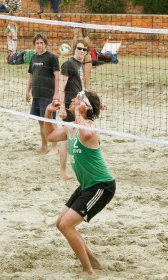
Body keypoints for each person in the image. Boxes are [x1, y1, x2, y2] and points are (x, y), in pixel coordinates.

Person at [43, 91, 115, 278]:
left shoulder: (88, 126)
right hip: (86, 186)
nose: (72, 100)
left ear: (84, 105)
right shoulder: (71, 128)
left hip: (101, 186)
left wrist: (79, 115)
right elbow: (49, 136)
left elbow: (87, 133)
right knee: (61, 223)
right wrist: (48, 113)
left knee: (67, 225)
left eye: (76, 99)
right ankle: (93, 262)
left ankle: (87, 270)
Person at [58, 37, 88, 180]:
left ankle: (68, 171)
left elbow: (81, 88)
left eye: (84, 49)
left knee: (74, 138)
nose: (82, 51)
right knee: (67, 139)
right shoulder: (69, 64)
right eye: (79, 48)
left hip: (77, 105)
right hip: (70, 107)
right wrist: (62, 107)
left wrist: (89, 102)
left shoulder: (79, 65)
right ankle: (63, 172)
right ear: (74, 49)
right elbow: (61, 87)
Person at [25, 33, 60, 153]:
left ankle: (54, 147)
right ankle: (44, 146)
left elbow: (57, 76)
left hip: (47, 96)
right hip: (37, 95)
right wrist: (27, 91)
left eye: (41, 43)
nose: (39, 45)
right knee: (41, 122)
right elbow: (31, 76)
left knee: (50, 122)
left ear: (45, 44)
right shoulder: (34, 58)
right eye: (37, 43)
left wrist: (56, 94)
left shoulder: (51, 58)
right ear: (35, 45)